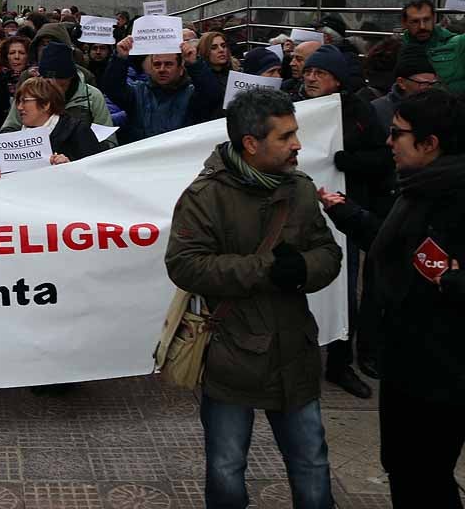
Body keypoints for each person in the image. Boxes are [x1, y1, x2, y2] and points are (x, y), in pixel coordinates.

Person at [166, 88, 342, 509]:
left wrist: (302, 269)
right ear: (251, 144)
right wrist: (265, 270)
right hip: (233, 354)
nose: (297, 145)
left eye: (295, 134)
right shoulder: (205, 196)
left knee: (312, 464)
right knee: (226, 468)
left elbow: (328, 253)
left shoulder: (299, 188)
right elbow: (186, 265)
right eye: (285, 137)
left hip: (293, 350)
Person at [317, 91, 465, 509]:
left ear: (429, 143)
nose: (388, 142)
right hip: (406, 362)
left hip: (442, 373)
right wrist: (347, 214)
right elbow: (399, 247)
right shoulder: (421, 187)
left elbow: (439, 271)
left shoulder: (455, 197)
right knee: (404, 468)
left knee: (427, 474)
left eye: (397, 134)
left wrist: (452, 282)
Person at [300, 44, 391, 398]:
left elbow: (382, 160)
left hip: (343, 215)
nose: (310, 78)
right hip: (300, 212)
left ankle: (340, 363)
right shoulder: (293, 107)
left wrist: (345, 161)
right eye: (308, 71)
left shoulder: (360, 112)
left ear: (336, 80)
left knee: (342, 291)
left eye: (319, 73)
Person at [99, 37, 220, 143]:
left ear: (181, 69)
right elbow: (113, 89)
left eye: (168, 64)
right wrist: (120, 58)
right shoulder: (138, 92)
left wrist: (195, 63)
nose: (162, 69)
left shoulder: (191, 95)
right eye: (157, 64)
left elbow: (211, 94)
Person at [14, 77, 101, 163]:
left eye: (25, 101)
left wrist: (69, 166)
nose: (19, 107)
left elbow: (95, 170)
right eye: (18, 101)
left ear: (45, 105)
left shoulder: (78, 132)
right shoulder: (17, 138)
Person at [399, 0, 465, 94]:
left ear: (434, 19)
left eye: (426, 20)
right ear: (404, 23)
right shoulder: (395, 48)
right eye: (415, 21)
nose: (422, 26)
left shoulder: (457, 43)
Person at [370, 47, 438, 129]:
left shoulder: (440, 108)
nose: (429, 89)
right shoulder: (378, 110)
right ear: (401, 82)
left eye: (433, 83)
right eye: (423, 83)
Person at [0, 36, 32, 129]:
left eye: (22, 53)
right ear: (5, 56)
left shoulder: (35, 78)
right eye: (12, 53)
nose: (16, 57)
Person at [197, 31, 238, 114]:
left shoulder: (237, 73)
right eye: (214, 47)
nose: (221, 50)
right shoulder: (200, 78)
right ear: (205, 51)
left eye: (223, 46)